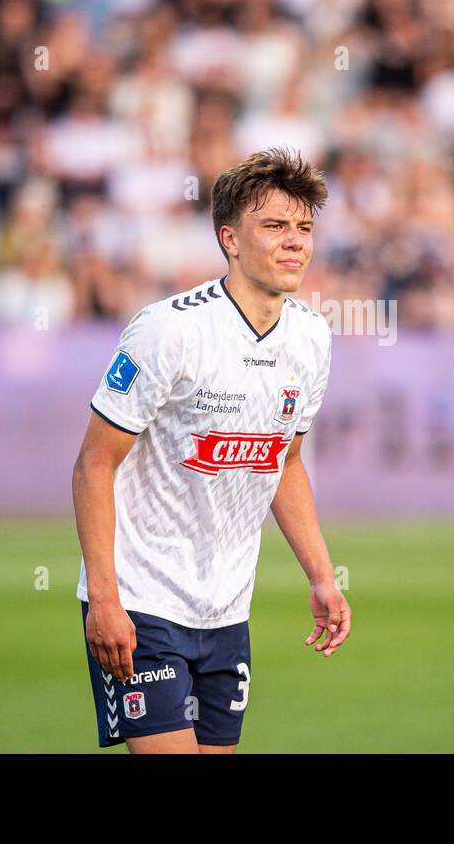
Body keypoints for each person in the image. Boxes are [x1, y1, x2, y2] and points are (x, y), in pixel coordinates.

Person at [71, 147, 351, 753]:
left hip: (227, 609)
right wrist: (105, 598)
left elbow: (285, 461)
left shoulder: (310, 337)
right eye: (274, 226)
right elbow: (94, 463)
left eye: (303, 228)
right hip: (143, 601)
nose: (294, 242)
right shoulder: (169, 331)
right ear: (229, 237)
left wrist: (322, 576)